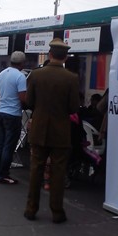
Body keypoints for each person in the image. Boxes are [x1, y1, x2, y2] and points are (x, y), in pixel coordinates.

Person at [23, 38, 80, 223]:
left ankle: (31, 209)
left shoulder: (36, 75)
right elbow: (73, 108)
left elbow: (29, 102)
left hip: (39, 128)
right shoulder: (71, 78)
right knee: (58, 171)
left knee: (35, 169)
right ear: (64, 58)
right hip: (61, 131)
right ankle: (57, 211)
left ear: (50, 54)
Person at [0, 51, 27, 184]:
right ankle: (3, 174)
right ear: (22, 63)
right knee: (9, 146)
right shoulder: (20, 76)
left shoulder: (1, 74)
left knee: (0, 144)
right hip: (13, 114)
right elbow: (23, 98)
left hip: (0, 112)